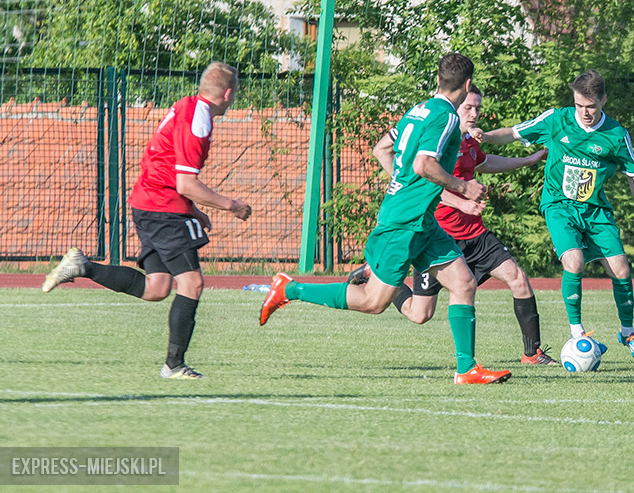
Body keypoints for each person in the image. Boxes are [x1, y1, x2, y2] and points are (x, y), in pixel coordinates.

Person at [260, 53, 511, 384]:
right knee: (372, 302)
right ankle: (290, 289)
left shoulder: (417, 111)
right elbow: (423, 165)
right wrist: (463, 186)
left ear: (438, 80)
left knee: (463, 283)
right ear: (467, 85)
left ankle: (466, 369)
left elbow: (384, 148)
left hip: (422, 222)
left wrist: (401, 184)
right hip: (403, 224)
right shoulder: (447, 118)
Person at [42, 61, 252, 379]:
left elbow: (166, 165)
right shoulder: (199, 122)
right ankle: (174, 366)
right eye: (235, 93)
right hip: (164, 208)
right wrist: (231, 205)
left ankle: (82, 266)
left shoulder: (186, 107)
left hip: (149, 202)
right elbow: (185, 184)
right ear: (227, 93)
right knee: (192, 284)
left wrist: (193, 210)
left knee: (157, 288)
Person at [350, 84, 557, 365]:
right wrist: (461, 202)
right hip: (440, 238)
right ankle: (377, 275)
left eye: (478, 108)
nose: (474, 114)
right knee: (419, 314)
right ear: (454, 105)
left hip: (476, 235)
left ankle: (531, 354)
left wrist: (527, 160)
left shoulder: (469, 142)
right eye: (468, 107)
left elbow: (484, 162)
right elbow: (424, 180)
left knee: (518, 278)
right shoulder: (438, 141)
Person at [477, 69, 634, 362]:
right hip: (559, 206)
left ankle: (627, 332)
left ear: (603, 101)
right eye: (579, 105)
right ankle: (577, 332)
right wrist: (484, 136)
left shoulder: (616, 135)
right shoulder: (556, 120)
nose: (584, 112)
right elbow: (514, 132)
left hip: (595, 210)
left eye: (591, 106)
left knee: (621, 269)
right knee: (574, 261)